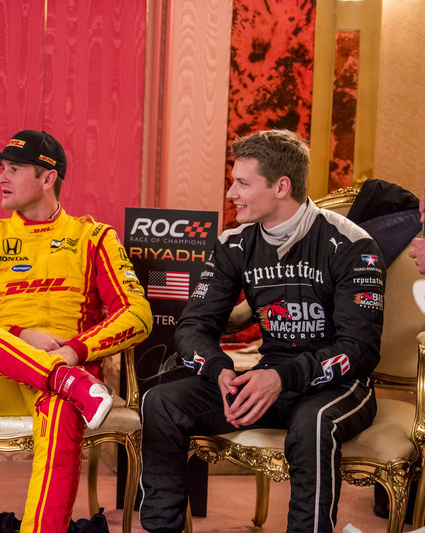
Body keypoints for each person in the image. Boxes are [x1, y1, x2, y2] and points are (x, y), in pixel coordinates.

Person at [139, 129, 385, 533]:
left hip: (339, 386)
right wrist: (219, 369)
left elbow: (359, 350)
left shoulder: (353, 245)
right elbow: (194, 325)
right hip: (266, 376)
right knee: (161, 402)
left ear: (281, 186)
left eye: (242, 183)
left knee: (314, 424)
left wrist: (282, 377)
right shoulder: (234, 243)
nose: (232, 193)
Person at [0, 129, 152, 532]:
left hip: (61, 380)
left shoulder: (94, 237)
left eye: (14, 168)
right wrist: (20, 335)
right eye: (1, 168)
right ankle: (64, 381)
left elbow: (138, 314)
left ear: (47, 177)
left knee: (63, 405)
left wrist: (74, 351)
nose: (0, 178)